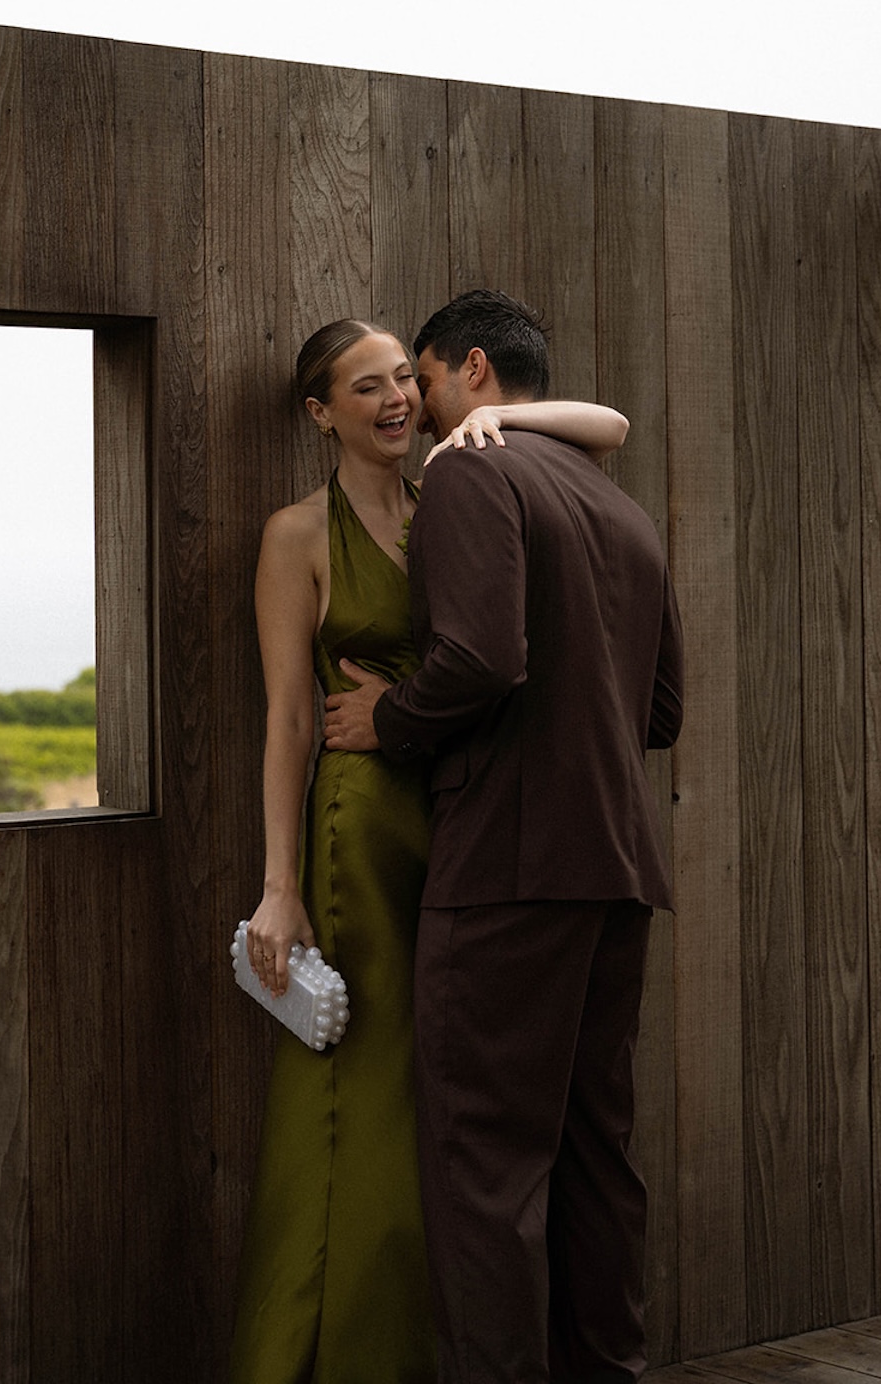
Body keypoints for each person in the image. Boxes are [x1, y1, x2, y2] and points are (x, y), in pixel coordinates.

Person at [230, 316, 632, 1384]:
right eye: (365, 388)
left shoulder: (458, 488)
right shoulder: (294, 535)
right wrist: (277, 887)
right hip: (361, 830)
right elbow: (287, 718)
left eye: (405, 377)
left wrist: (499, 420)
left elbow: (608, 425)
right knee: (364, 1089)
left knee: (447, 1103)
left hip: (463, 817)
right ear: (320, 415)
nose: (397, 399)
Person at [324, 290, 684, 1384]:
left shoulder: (470, 472)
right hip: (616, 872)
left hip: (506, 872)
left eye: (423, 378)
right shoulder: (618, 506)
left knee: (481, 1167)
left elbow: (480, 659)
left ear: (470, 369)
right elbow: (662, 712)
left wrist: (387, 718)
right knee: (593, 1158)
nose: (418, 404)